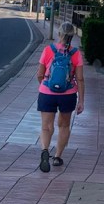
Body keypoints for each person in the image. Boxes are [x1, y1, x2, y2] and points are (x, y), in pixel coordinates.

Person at [36, 21, 84, 172]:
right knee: (63, 126)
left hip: (47, 93)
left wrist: (45, 85)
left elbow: (40, 74)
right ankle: (57, 157)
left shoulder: (48, 50)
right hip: (67, 95)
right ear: (72, 36)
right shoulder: (75, 53)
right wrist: (81, 100)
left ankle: (45, 150)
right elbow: (80, 79)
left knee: (46, 126)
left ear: (59, 34)